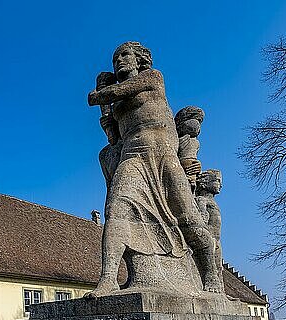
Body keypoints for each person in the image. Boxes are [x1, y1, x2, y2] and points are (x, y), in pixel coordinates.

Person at [87, 42, 221, 296]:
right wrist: (108, 120)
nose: (119, 61)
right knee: (116, 209)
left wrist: (99, 93)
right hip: (133, 155)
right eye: (115, 58)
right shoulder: (117, 104)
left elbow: (114, 92)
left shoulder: (152, 77)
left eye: (124, 55)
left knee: (188, 217)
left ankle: (212, 276)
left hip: (162, 155)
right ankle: (108, 278)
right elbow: (114, 139)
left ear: (140, 60)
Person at [196, 169, 224, 289]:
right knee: (211, 265)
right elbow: (202, 219)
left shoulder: (212, 201)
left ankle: (222, 290)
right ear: (204, 183)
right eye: (217, 181)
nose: (220, 185)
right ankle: (210, 283)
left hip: (217, 240)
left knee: (219, 267)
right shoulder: (202, 200)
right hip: (210, 238)